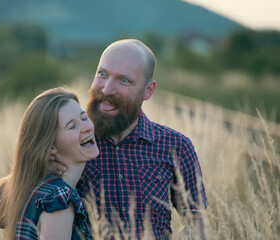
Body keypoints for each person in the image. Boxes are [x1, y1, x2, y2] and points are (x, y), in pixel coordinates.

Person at [51, 39, 208, 239]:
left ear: (148, 90)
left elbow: (196, 220)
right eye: (102, 74)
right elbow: (11, 208)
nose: (107, 90)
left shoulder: (176, 146)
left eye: (124, 80)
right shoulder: (67, 139)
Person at [0, 87, 99, 240]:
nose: (87, 127)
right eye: (72, 126)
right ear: (51, 148)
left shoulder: (38, 188)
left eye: (84, 118)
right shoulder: (58, 199)